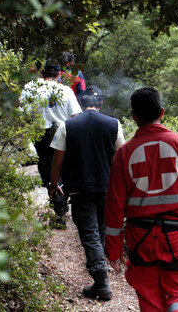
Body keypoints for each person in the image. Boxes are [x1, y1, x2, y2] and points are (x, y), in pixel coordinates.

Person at [105, 87, 178, 311]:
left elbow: (114, 206)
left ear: (134, 116)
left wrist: (113, 249)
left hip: (140, 240)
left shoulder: (124, 154)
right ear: (162, 112)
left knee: (150, 296)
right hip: (177, 237)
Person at [49, 86, 125, 301]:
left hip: (80, 188)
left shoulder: (68, 125)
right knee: (100, 230)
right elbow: (121, 156)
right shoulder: (113, 124)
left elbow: (58, 160)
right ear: (101, 104)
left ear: (81, 104)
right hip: (107, 188)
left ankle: (101, 282)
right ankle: (100, 271)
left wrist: (54, 184)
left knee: (90, 234)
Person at [20, 62, 82, 228]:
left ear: (42, 73)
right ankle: (61, 205)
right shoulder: (66, 90)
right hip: (62, 132)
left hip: (40, 133)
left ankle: (58, 207)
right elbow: (76, 116)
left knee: (48, 169)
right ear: (59, 74)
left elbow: (23, 115)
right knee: (63, 168)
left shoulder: (30, 88)